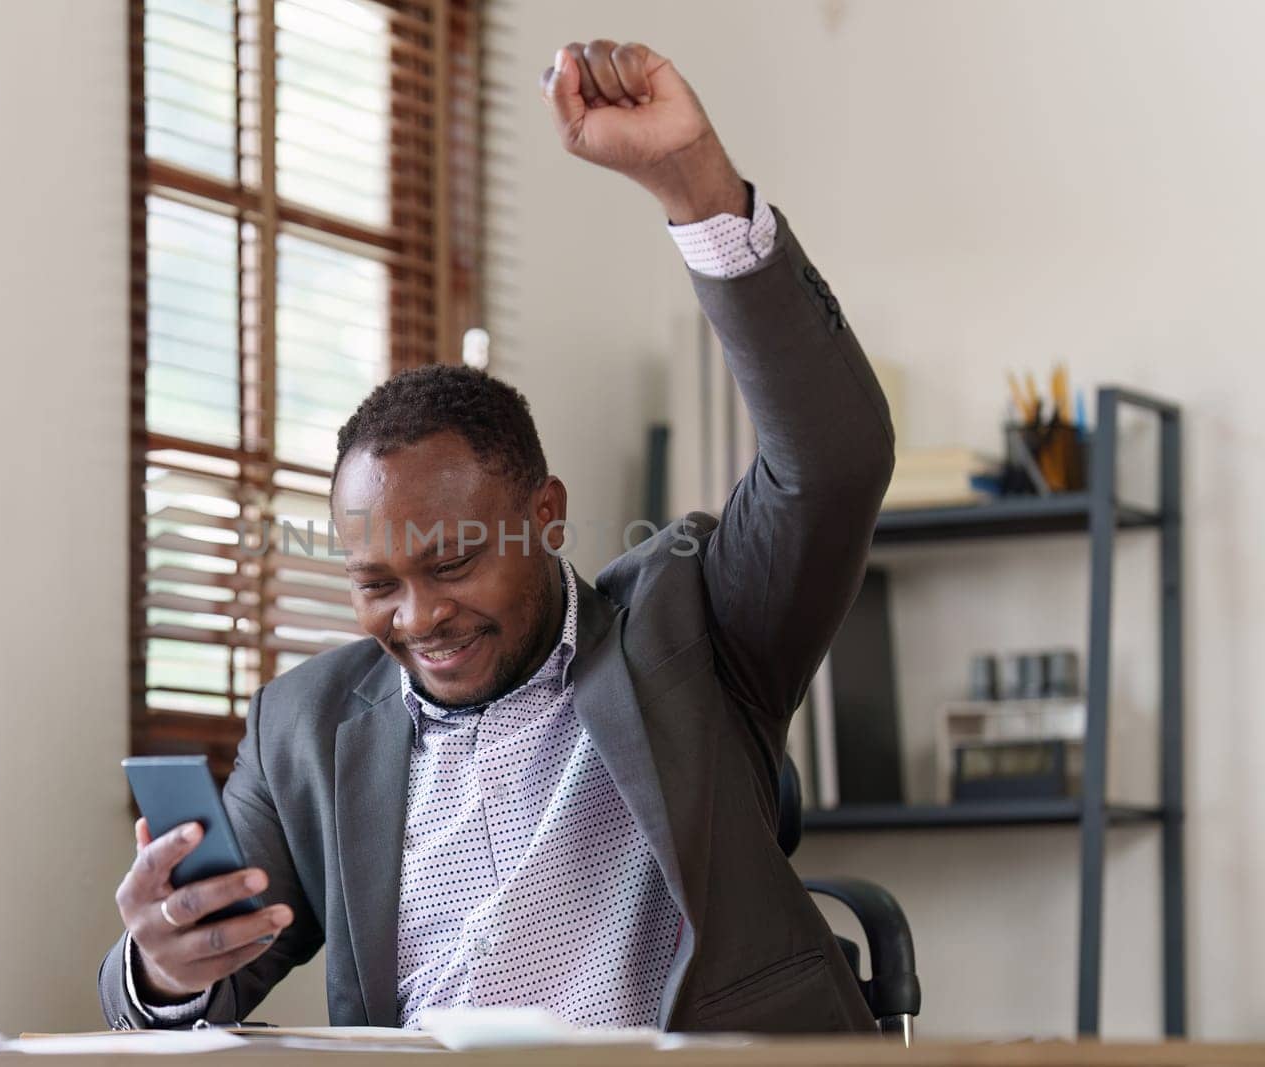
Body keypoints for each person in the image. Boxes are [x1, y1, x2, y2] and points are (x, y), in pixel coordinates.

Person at [100, 37, 894, 1033]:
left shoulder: (696, 627)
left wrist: (693, 185)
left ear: (545, 514)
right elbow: (199, 974)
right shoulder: (303, 728)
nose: (420, 615)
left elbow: (833, 460)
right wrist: (163, 963)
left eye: (452, 562)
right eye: (376, 581)